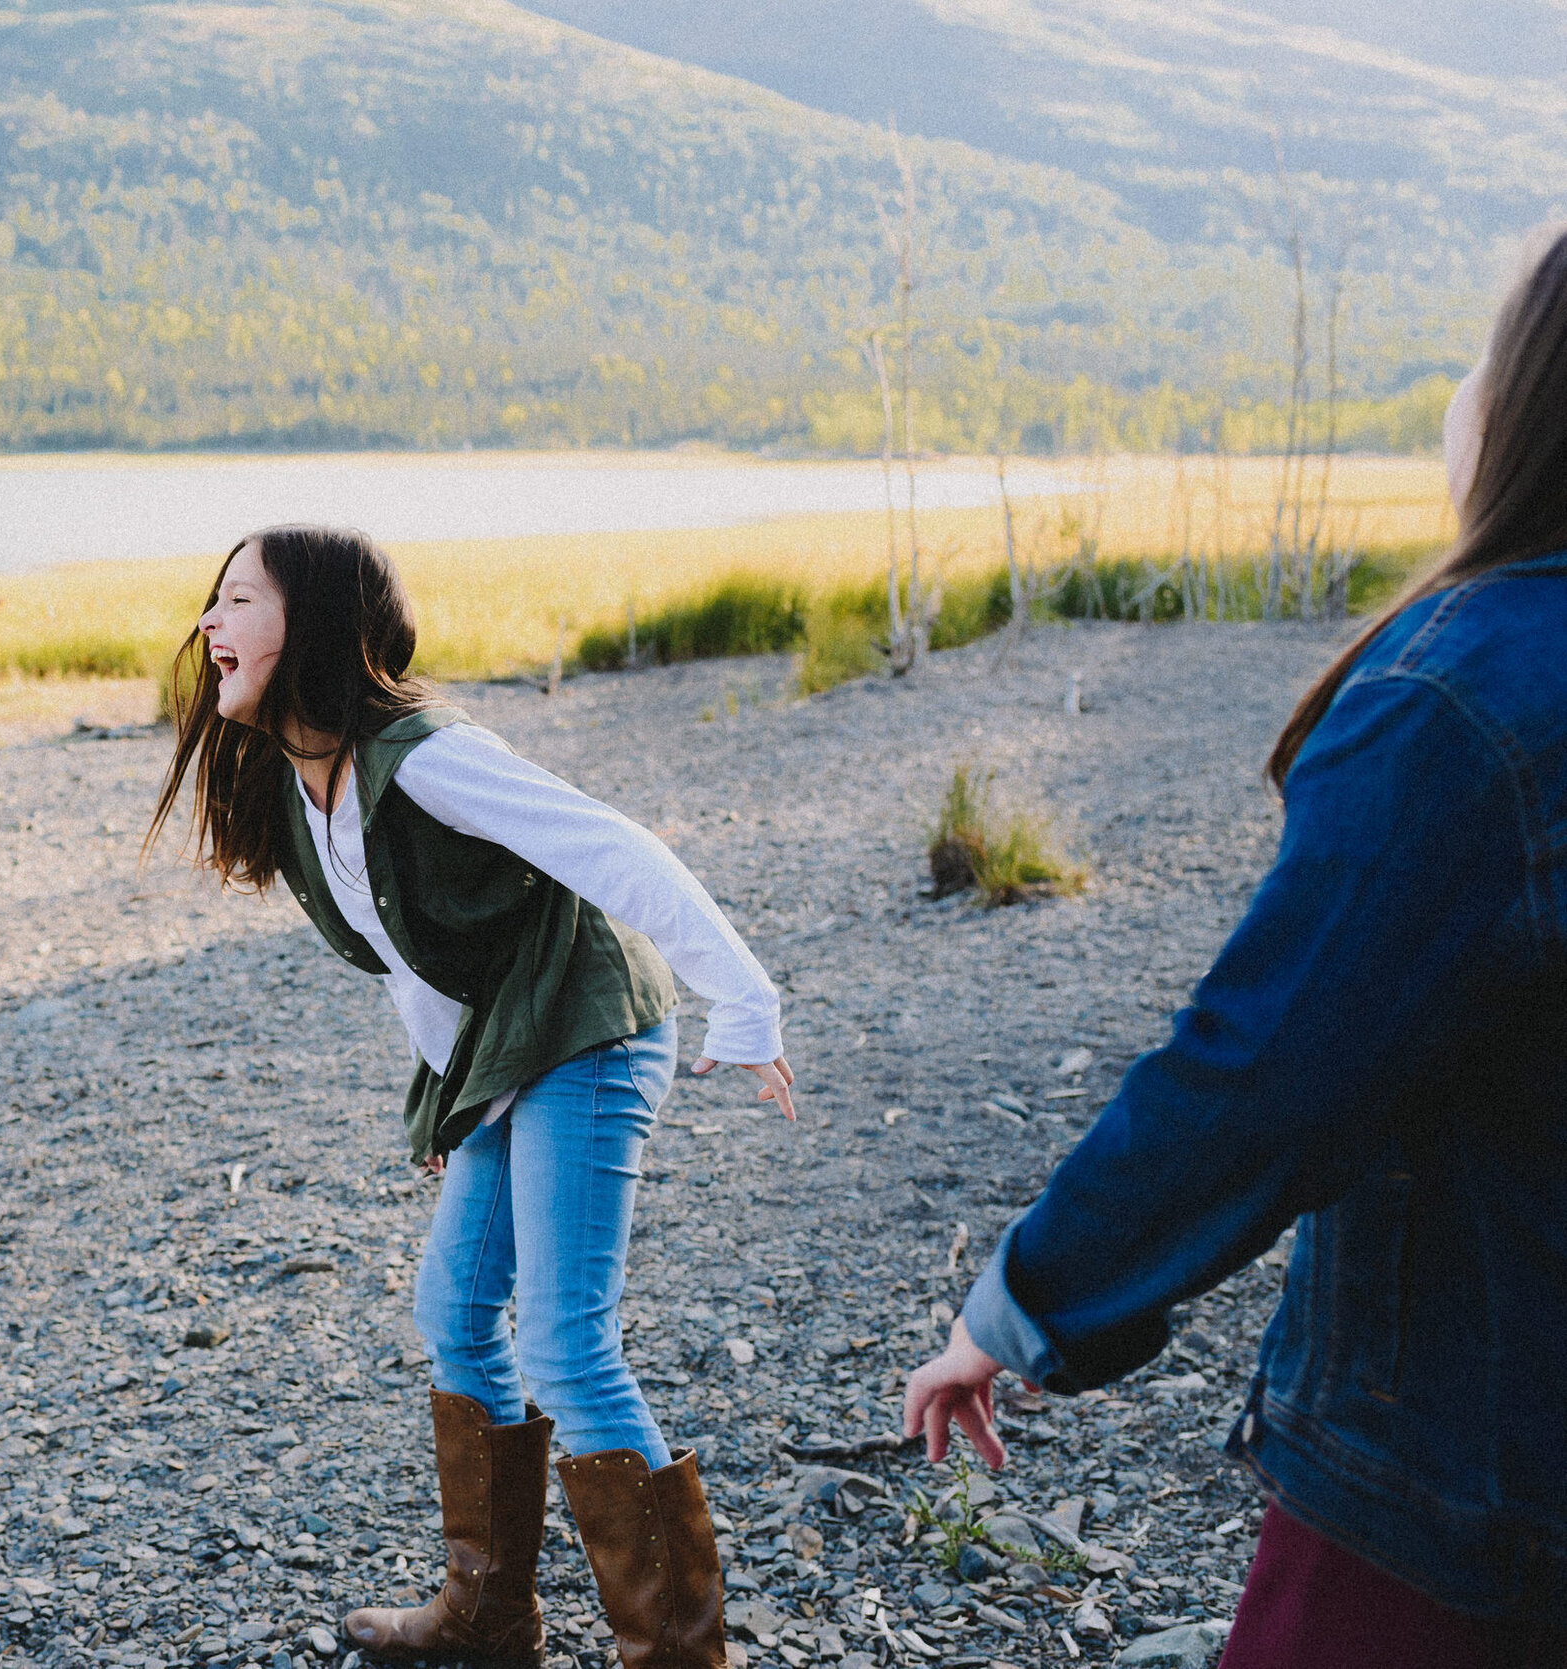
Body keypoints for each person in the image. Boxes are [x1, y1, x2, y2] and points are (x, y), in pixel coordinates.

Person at [903, 223, 1567, 1668]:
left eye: (1480, 354)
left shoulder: (1464, 702)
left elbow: (1267, 1069)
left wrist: (1028, 1300)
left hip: (1470, 1467)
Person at [147, 527, 796, 1669]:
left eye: (238, 598)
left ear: (316, 627)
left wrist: (742, 999)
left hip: (591, 1032)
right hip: (506, 1053)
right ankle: (489, 1616)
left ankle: (683, 1656)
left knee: (565, 1340)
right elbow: (417, 959)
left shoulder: (426, 755)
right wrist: (458, 1101)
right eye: (212, 598)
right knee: (454, 1312)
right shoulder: (303, 787)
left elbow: (613, 850)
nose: (209, 622)